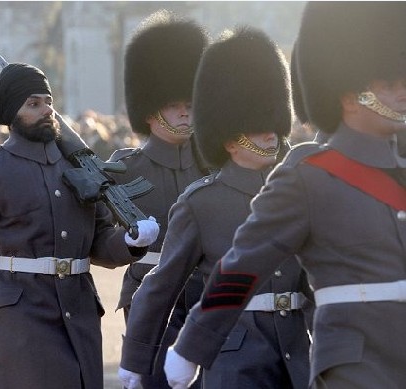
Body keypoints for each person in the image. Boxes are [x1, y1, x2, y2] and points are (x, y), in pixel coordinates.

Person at [166, 3, 406, 389]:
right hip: (355, 364)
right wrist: (193, 345)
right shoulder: (308, 176)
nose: (402, 93)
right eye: (389, 86)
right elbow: (244, 263)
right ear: (348, 96)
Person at [0, 61, 160, 388]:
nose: (47, 110)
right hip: (24, 316)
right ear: (11, 114)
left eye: (48, 101)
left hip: (79, 311)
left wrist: (131, 243)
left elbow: (99, 241)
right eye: (33, 104)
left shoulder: (78, 167)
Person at [119, 26, 312, 389]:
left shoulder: (296, 192)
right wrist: (137, 357)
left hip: (295, 351)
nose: (272, 134)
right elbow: (161, 285)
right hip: (234, 355)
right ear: (229, 137)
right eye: (258, 127)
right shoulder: (201, 203)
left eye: (273, 124)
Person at [108, 11, 209, 387]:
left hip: (203, 293)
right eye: (173, 104)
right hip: (148, 298)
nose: (185, 110)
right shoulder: (125, 168)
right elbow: (99, 238)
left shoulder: (212, 166)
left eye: (190, 101)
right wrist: (128, 242)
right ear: (151, 111)